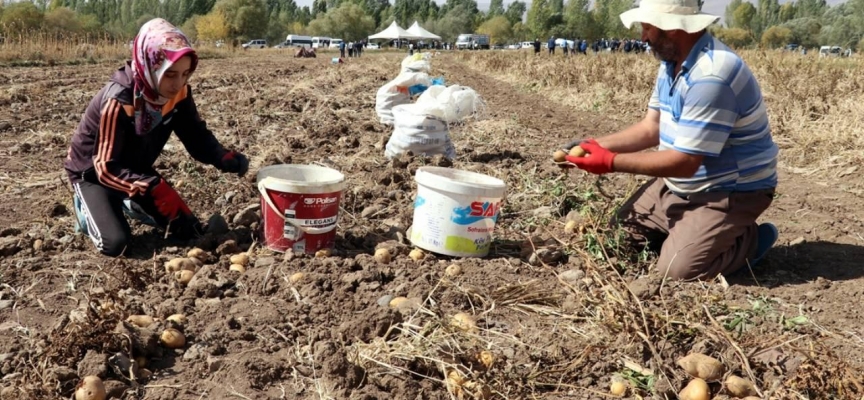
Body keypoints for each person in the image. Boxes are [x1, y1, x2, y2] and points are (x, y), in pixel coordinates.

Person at [558, 0, 779, 281]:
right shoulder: (672, 63)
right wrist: (596, 146)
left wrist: (610, 162)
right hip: (678, 183)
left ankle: (748, 240)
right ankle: (690, 231)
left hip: (728, 192)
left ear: (672, 28)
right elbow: (652, 127)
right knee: (616, 237)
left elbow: (685, 162)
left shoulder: (712, 75)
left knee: (679, 271)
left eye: (647, 27)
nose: (643, 37)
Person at [64, 18, 248, 257]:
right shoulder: (119, 100)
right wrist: (150, 187)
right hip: (93, 173)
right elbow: (105, 168)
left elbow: (195, 134)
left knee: (189, 230)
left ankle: (126, 200)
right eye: (170, 74)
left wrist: (221, 156)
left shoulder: (179, 93)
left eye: (185, 74)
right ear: (149, 65)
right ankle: (87, 208)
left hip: (134, 167)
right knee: (116, 244)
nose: (178, 83)